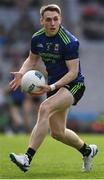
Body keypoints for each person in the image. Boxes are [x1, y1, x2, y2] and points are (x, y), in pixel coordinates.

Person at [9, 4, 98, 172]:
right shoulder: (37, 38)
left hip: (73, 85)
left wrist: (51, 86)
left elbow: (73, 73)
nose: (52, 23)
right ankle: (88, 151)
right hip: (53, 85)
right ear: (41, 20)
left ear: (61, 19)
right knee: (58, 133)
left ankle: (27, 158)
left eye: (56, 19)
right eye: (48, 19)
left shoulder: (69, 42)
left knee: (44, 107)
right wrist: (22, 72)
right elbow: (31, 59)